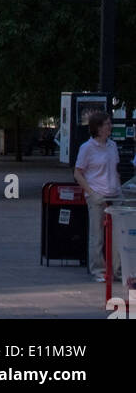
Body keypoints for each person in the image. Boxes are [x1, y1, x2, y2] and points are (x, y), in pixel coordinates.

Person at [75, 111, 122, 282]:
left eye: (110, 123)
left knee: (119, 234)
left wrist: (119, 187)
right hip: (97, 194)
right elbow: (78, 173)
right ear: (98, 128)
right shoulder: (87, 148)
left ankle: (117, 269)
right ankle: (99, 270)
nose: (110, 127)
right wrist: (91, 193)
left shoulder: (112, 146)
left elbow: (115, 169)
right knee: (97, 234)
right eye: (107, 124)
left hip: (115, 193)